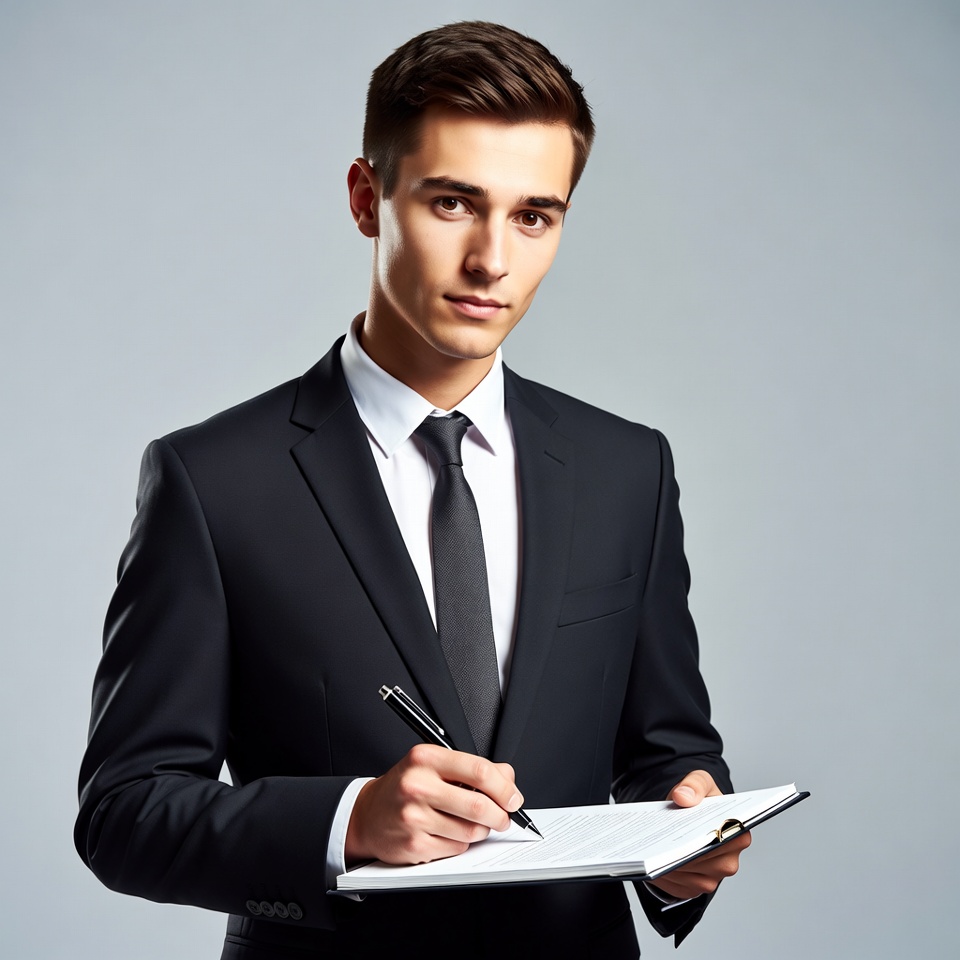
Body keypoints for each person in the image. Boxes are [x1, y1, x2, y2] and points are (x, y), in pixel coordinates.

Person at [75, 21, 749, 959]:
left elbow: (667, 755)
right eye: (452, 204)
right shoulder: (214, 479)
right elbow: (124, 810)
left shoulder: (626, 468)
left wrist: (683, 839)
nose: (492, 262)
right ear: (367, 197)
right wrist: (348, 822)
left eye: (533, 216)